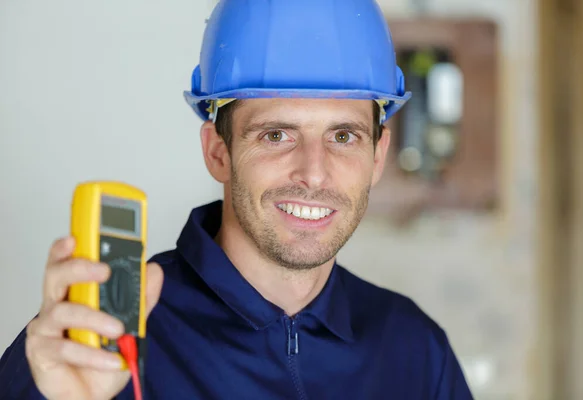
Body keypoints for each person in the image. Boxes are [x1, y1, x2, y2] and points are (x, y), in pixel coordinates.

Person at [0, 0, 473, 398]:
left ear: (377, 156)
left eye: (344, 136)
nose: (313, 172)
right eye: (276, 134)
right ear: (218, 152)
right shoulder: (92, 341)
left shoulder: (414, 349)